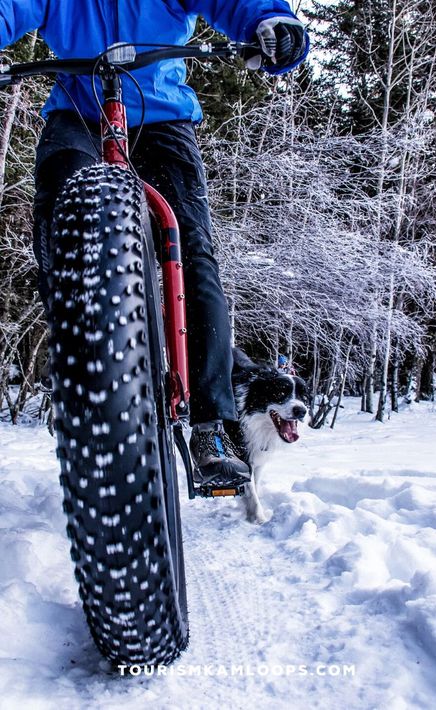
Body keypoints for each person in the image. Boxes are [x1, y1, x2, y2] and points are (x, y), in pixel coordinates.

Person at [0, 1, 309, 488]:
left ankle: (213, 427)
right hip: (79, 112)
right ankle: (80, 377)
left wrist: (269, 22)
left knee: (193, 252)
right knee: (60, 216)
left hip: (160, 113)